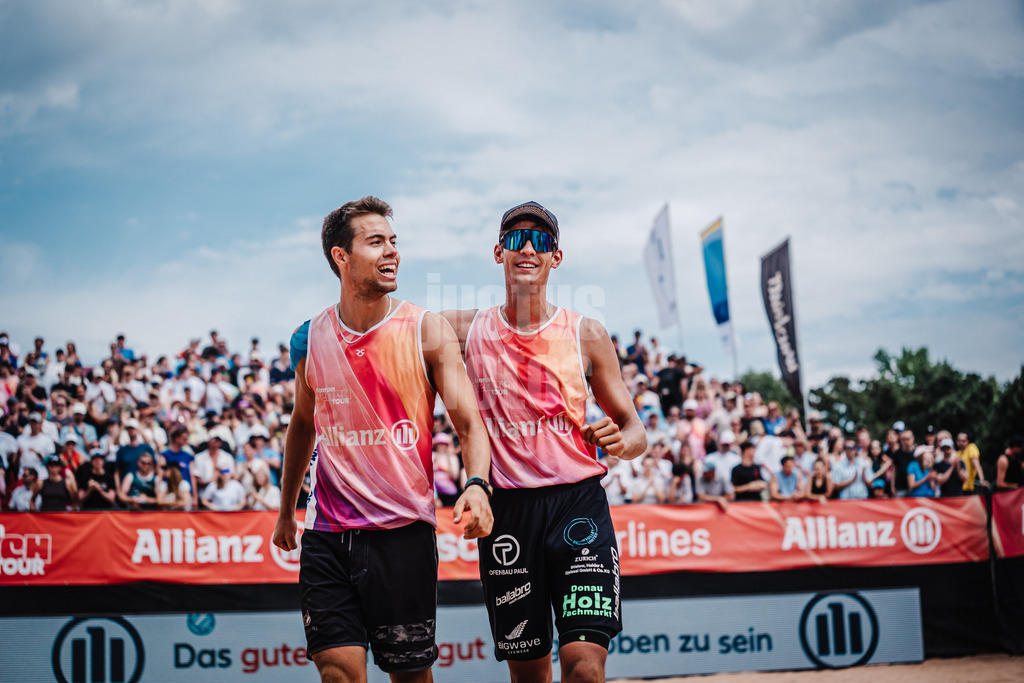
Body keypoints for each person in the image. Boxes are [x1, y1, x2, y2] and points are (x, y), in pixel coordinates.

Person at [272, 196, 493, 683]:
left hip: (403, 535)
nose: (392, 251)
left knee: (410, 677)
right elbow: (302, 424)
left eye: (394, 241)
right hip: (327, 534)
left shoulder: (426, 330)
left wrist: (477, 483)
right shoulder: (309, 337)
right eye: (376, 242)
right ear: (341, 257)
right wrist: (287, 510)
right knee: (338, 672)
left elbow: (470, 424)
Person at [442, 200, 646, 683]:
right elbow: (388, 326)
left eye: (541, 241)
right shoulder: (463, 328)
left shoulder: (585, 334)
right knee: (529, 674)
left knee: (584, 667)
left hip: (578, 505)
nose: (527, 248)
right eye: (516, 239)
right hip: (508, 513)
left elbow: (636, 432)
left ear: (556, 256)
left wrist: (620, 441)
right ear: (499, 253)